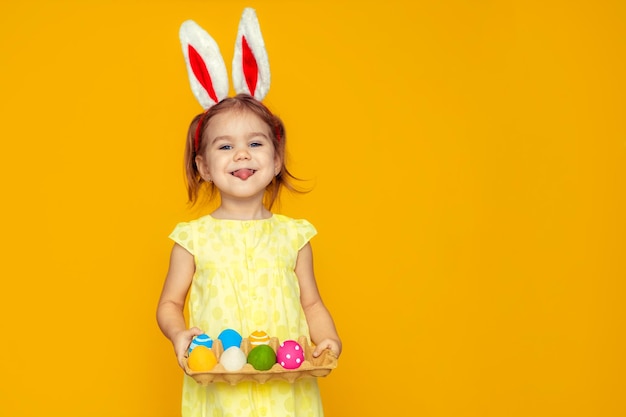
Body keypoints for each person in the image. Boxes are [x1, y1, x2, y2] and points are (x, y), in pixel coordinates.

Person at [157, 93, 342, 416]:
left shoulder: (294, 236)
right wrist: (177, 333)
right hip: (220, 389)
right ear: (204, 167)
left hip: (285, 391)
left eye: (255, 144)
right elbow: (170, 303)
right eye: (225, 147)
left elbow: (311, 303)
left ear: (276, 160)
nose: (242, 154)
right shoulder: (192, 238)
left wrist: (328, 339)